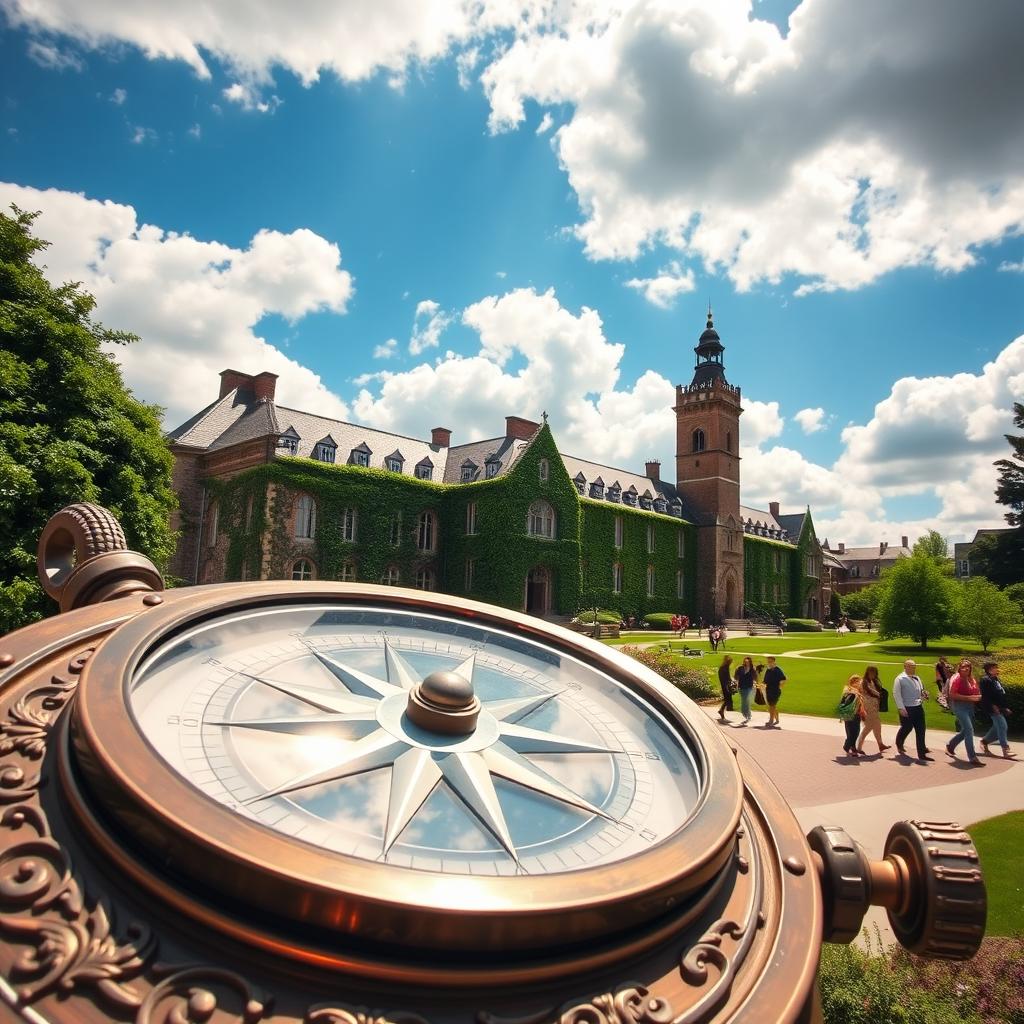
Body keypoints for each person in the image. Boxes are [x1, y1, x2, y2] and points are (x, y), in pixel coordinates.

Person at [945, 659, 984, 766]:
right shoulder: (957, 678)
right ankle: (972, 757)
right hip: (959, 707)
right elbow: (952, 695)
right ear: (960, 668)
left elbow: (976, 692)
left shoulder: (972, 679)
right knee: (969, 729)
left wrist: (978, 696)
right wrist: (970, 698)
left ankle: (950, 746)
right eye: (963, 666)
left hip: (970, 707)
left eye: (968, 666)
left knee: (965, 730)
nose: (966, 668)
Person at [893, 659, 932, 762]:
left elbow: (920, 690)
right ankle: (899, 743)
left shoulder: (917, 678)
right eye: (911, 666)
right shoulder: (900, 679)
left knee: (921, 729)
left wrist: (924, 694)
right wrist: (901, 708)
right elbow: (896, 694)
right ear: (905, 666)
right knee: (907, 727)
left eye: (914, 666)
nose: (913, 668)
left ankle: (921, 752)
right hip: (907, 708)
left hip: (918, 706)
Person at [979, 660, 1014, 758]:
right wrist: (994, 706)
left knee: (997, 728)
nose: (997, 669)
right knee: (1002, 726)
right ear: (989, 670)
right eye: (995, 668)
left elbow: (1000, 694)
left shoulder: (995, 679)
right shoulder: (985, 680)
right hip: (992, 708)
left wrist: (1004, 708)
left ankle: (984, 742)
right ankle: (1005, 750)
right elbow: (986, 696)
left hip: (999, 708)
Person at [856, 665, 890, 754]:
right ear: (867, 672)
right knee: (868, 727)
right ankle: (858, 747)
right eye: (871, 672)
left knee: (877, 726)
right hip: (868, 709)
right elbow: (872, 693)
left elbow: (877, 692)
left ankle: (880, 745)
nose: (873, 674)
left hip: (874, 708)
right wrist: (879, 694)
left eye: (874, 672)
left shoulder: (872, 681)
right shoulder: (863, 682)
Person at [840, 675, 864, 757]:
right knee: (854, 733)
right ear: (854, 683)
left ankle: (853, 747)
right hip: (852, 715)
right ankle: (847, 746)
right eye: (859, 682)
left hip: (853, 715)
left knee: (853, 732)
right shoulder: (852, 692)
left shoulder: (853, 691)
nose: (861, 684)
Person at [733, 655, 759, 725]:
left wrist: (756, 683)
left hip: (749, 687)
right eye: (745, 661)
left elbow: (756, 677)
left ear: (750, 662)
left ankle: (745, 712)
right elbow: (735, 676)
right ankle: (748, 714)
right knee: (744, 700)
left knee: (745, 700)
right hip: (741, 687)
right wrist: (736, 681)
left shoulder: (752, 669)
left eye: (748, 662)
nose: (746, 663)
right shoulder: (740, 668)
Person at [762, 655, 786, 727]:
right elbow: (765, 681)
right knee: (772, 706)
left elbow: (784, 679)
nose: (769, 663)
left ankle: (771, 720)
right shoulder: (768, 670)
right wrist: (760, 685)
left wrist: (780, 686)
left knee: (772, 706)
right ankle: (777, 719)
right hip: (768, 690)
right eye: (768, 662)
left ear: (774, 661)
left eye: (770, 661)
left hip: (775, 690)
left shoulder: (778, 670)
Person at [717, 655, 735, 722]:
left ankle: (721, 711)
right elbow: (727, 677)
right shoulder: (725, 667)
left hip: (724, 685)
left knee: (727, 699)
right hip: (726, 686)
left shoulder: (722, 667)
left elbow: (725, 677)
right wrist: (732, 682)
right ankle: (721, 711)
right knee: (728, 699)